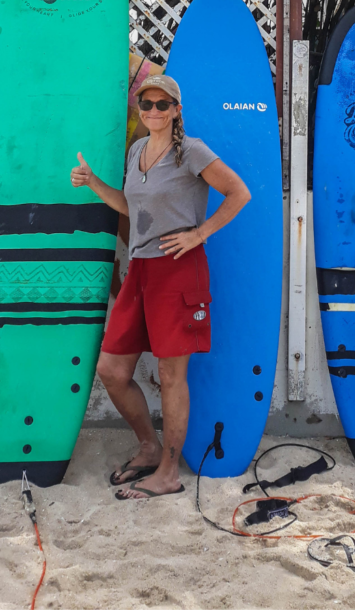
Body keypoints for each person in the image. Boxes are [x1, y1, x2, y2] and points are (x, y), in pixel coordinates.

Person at [70, 75, 250, 500]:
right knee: (112, 371)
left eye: (161, 104)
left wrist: (199, 233)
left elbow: (238, 193)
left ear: (176, 109)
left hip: (179, 271)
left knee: (171, 375)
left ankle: (169, 473)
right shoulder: (136, 151)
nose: (152, 111)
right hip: (141, 270)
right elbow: (131, 206)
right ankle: (149, 448)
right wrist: (94, 183)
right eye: (145, 104)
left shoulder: (191, 150)